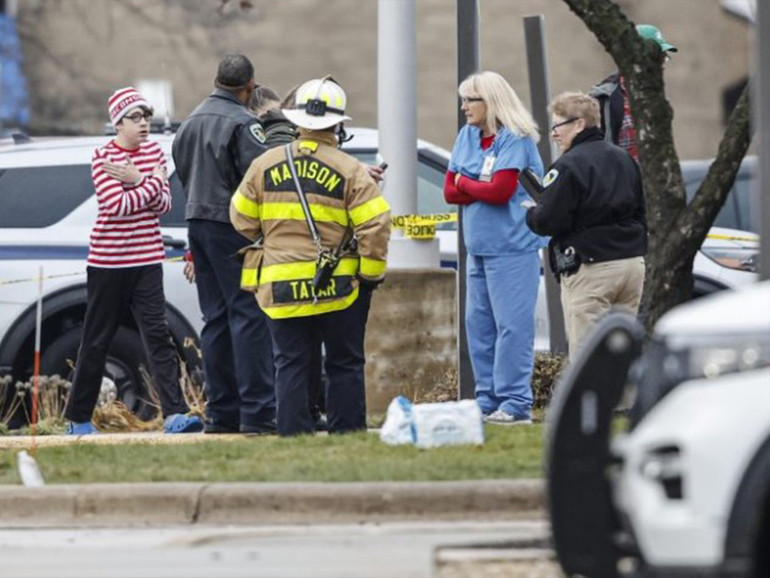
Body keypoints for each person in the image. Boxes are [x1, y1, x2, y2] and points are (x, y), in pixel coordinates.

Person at [230, 76, 391, 436]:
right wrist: (370, 275)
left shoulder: (264, 165)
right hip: (340, 287)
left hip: (280, 286)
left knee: (289, 363)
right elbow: (376, 225)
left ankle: (293, 436)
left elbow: (240, 219)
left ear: (296, 121)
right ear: (337, 124)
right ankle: (346, 435)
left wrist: (272, 233)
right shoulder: (351, 170)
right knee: (344, 363)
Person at [63, 87, 203, 435]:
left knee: (158, 336)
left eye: (147, 117)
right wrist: (150, 184)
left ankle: (174, 415)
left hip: (147, 260)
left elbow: (164, 205)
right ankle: (78, 418)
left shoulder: (155, 153)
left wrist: (138, 180)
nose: (144, 124)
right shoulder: (102, 157)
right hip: (108, 262)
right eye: (135, 118)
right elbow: (117, 206)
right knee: (97, 338)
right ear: (118, 123)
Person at [172, 54, 276, 434]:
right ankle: (258, 412)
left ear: (217, 81)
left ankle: (222, 413)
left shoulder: (191, 121)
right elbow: (260, 176)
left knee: (214, 319)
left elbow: (180, 171)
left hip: (196, 223)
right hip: (232, 225)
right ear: (249, 87)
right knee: (248, 315)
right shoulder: (244, 123)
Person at [443, 71, 546, 426]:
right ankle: (486, 400)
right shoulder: (467, 136)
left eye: (470, 100)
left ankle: (516, 403)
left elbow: (501, 191)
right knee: (479, 326)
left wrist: (465, 182)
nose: (464, 107)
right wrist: (476, 184)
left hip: (513, 248)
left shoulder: (515, 139)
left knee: (511, 328)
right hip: (479, 248)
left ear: (491, 102)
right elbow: (448, 191)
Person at [525, 92, 647, 354]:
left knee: (588, 356)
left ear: (579, 124)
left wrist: (532, 214)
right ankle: (624, 396)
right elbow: (641, 210)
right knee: (623, 352)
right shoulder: (624, 158)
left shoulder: (568, 165)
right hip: (632, 264)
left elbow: (547, 220)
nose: (554, 134)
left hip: (592, 268)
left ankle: (595, 397)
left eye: (557, 126)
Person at [590, 24, 678, 161]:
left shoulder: (657, 99)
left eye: (664, 58)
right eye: (657, 58)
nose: (663, 65)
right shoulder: (604, 97)